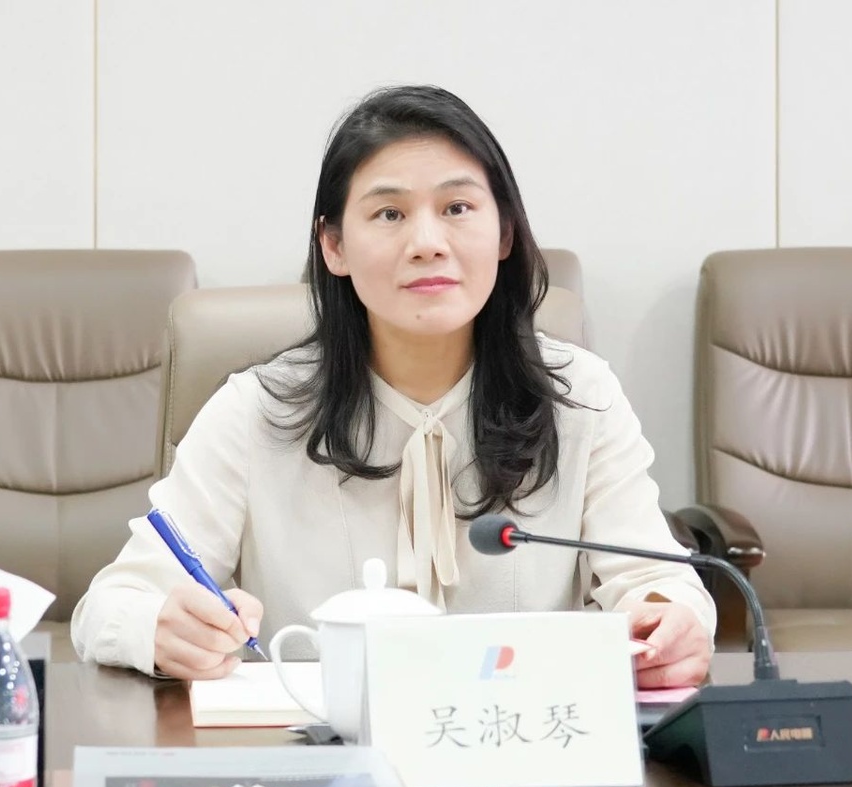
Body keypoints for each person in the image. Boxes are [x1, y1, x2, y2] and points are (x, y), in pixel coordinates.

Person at [71, 85, 714, 689]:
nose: (427, 243)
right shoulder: (256, 410)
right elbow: (111, 604)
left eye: (457, 208)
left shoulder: (578, 396)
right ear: (334, 246)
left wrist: (669, 620)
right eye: (389, 213)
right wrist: (160, 627)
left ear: (504, 233)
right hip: (319, 748)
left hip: (517, 743)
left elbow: (656, 582)